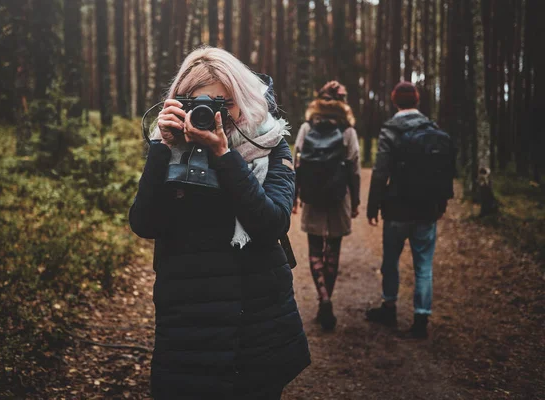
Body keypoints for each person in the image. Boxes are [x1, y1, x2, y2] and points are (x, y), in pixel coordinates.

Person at [129, 47, 310, 399]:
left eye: (223, 103)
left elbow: (272, 222)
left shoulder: (271, 145)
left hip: (256, 317)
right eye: (199, 103)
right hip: (189, 320)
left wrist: (224, 156)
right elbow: (145, 223)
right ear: (179, 104)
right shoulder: (169, 147)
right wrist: (161, 150)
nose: (212, 113)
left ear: (243, 99)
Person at [366, 81, 453, 339]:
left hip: (397, 209)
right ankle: (421, 317)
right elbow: (443, 171)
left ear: (395, 102)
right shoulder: (433, 129)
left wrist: (373, 206)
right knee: (423, 265)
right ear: (417, 102)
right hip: (427, 209)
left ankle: (389, 307)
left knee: (390, 260)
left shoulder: (391, 129)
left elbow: (381, 171)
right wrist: (441, 204)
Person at [293, 81, 361, 330]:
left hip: (312, 196)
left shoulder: (306, 128)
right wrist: (355, 202)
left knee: (314, 250)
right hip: (338, 196)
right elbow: (354, 168)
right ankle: (327, 299)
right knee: (332, 250)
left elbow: (297, 164)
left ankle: (323, 297)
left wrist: (294, 198)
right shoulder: (348, 132)